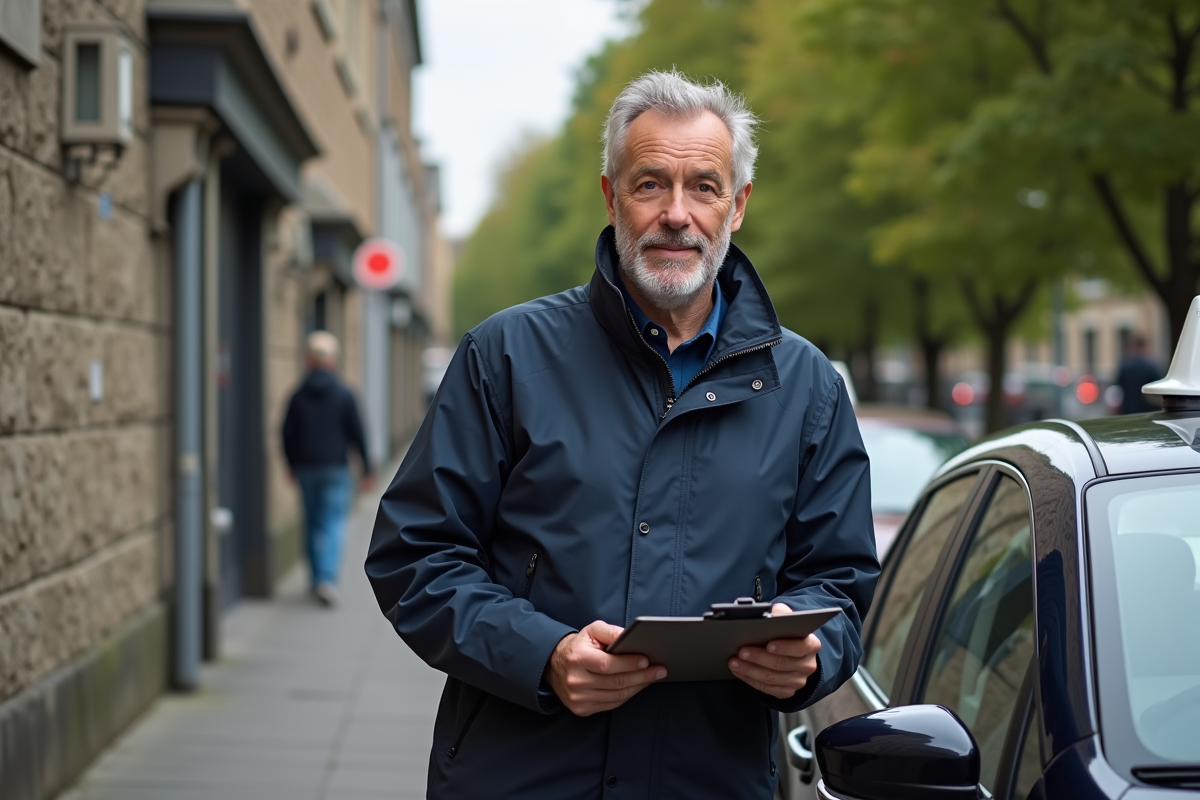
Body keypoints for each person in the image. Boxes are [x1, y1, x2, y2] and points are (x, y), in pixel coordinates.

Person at [365, 71, 879, 798]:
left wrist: (813, 652)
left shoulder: (810, 390)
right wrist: (542, 653)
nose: (677, 214)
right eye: (650, 184)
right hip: (519, 778)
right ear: (611, 196)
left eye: (704, 186)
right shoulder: (505, 356)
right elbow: (413, 556)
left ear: (739, 205)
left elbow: (845, 582)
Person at [283, 331, 372, 607]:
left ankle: (315, 579)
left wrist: (290, 465)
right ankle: (327, 579)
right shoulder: (345, 393)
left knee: (311, 522)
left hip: (306, 468)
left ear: (308, 360)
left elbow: (287, 434)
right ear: (332, 360)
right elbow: (359, 432)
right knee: (333, 521)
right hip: (335, 467)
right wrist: (367, 468)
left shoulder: (297, 395)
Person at [1115, 334, 1165, 414]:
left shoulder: (1125, 366)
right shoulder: (1151, 367)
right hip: (1148, 412)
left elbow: (1118, 389)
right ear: (1145, 347)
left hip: (1128, 412)